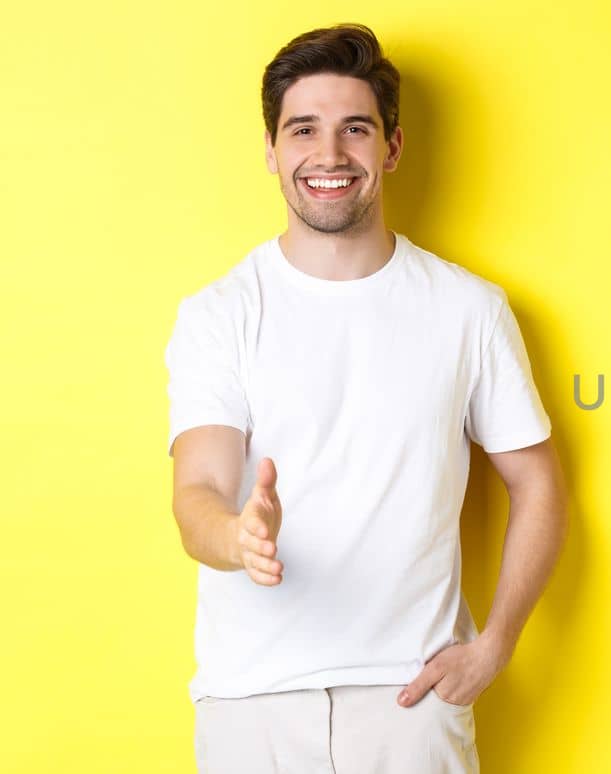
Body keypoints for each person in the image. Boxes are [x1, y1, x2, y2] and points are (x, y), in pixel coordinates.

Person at [164, 23, 568, 774]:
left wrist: (497, 644)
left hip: (411, 703)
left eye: (355, 129)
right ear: (271, 150)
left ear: (392, 147)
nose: (329, 155)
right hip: (251, 707)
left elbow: (538, 483)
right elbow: (199, 490)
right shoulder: (218, 314)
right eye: (303, 130)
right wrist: (239, 537)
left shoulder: (468, 309)